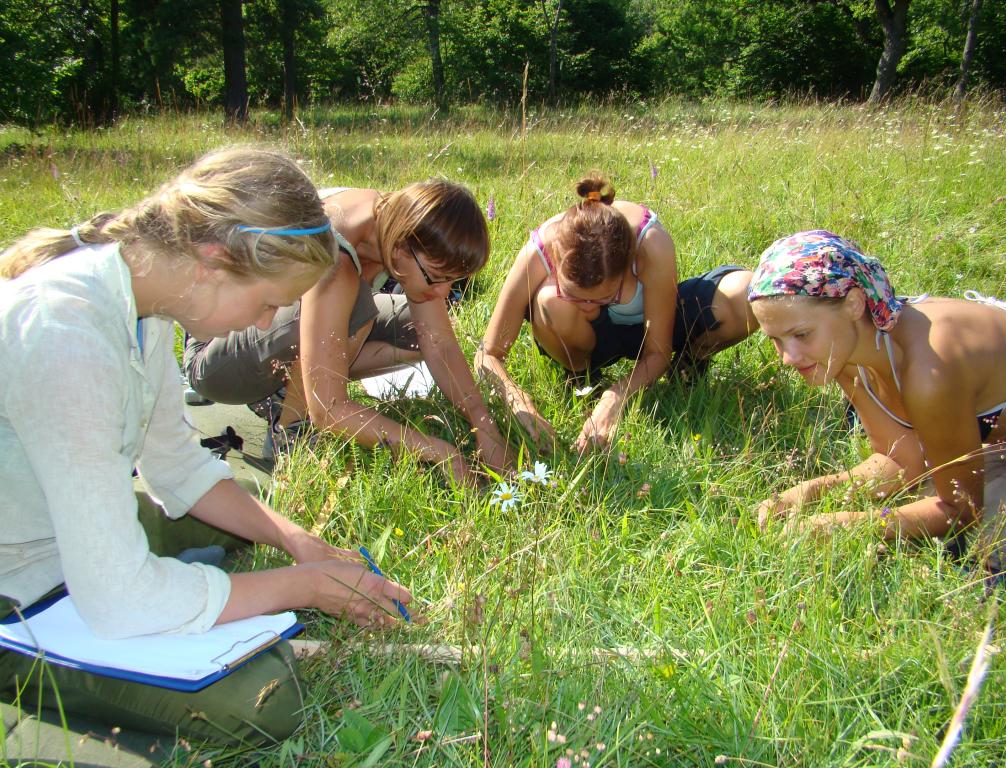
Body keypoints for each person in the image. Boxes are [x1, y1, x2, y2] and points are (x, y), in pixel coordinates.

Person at [0, 148, 412, 746]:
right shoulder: (66, 335)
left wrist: (298, 542)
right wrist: (305, 586)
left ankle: (193, 583)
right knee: (262, 702)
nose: (264, 320)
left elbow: (176, 466)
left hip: (56, 529)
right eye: (271, 302)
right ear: (214, 261)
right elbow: (119, 600)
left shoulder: (148, 301)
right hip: (21, 584)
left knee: (248, 500)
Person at [183, 181, 513, 483]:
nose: (444, 293)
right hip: (217, 354)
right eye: (436, 277)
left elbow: (438, 343)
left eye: (453, 281)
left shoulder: (388, 222)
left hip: (274, 327)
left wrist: (484, 425)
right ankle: (291, 430)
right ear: (400, 248)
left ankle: (297, 384)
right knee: (355, 304)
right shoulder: (336, 256)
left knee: (414, 325)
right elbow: (329, 410)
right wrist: (439, 452)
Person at [749, 230, 1006, 565]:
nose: (788, 358)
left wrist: (851, 524)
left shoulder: (928, 371)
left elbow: (962, 509)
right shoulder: (844, 353)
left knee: (982, 552)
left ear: (853, 303)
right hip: (1003, 444)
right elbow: (901, 461)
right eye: (776, 340)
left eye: (801, 335)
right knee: (921, 500)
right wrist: (812, 491)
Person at [475, 173, 758, 452]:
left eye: (607, 296)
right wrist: (517, 400)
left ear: (629, 264)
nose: (589, 307)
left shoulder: (651, 244)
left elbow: (656, 352)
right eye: (574, 295)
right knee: (550, 301)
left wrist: (616, 397)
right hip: (590, 340)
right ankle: (581, 375)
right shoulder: (540, 250)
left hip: (653, 325)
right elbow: (487, 353)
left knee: (745, 295)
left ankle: (687, 364)